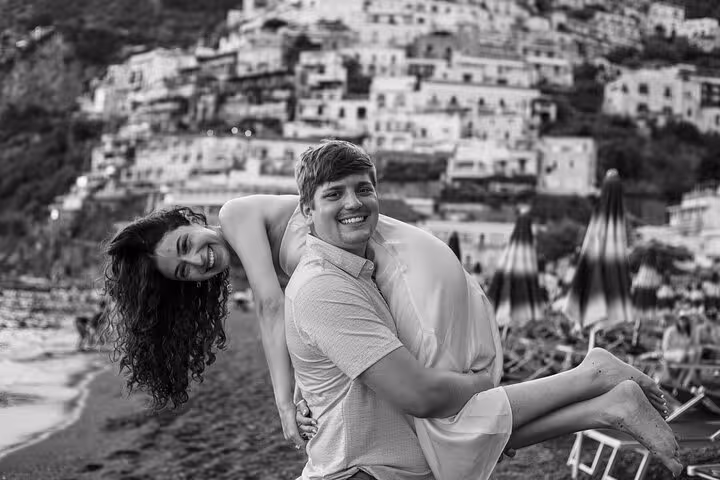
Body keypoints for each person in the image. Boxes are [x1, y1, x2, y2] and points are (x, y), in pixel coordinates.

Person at [104, 141, 682, 478]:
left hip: (410, 274)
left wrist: (285, 402)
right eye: (184, 271)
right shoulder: (294, 257)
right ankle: (603, 405)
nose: (198, 261)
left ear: (190, 220)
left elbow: (273, 305)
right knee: (442, 435)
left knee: (440, 416)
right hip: (414, 269)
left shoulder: (235, 216)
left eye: (186, 245)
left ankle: (592, 377)